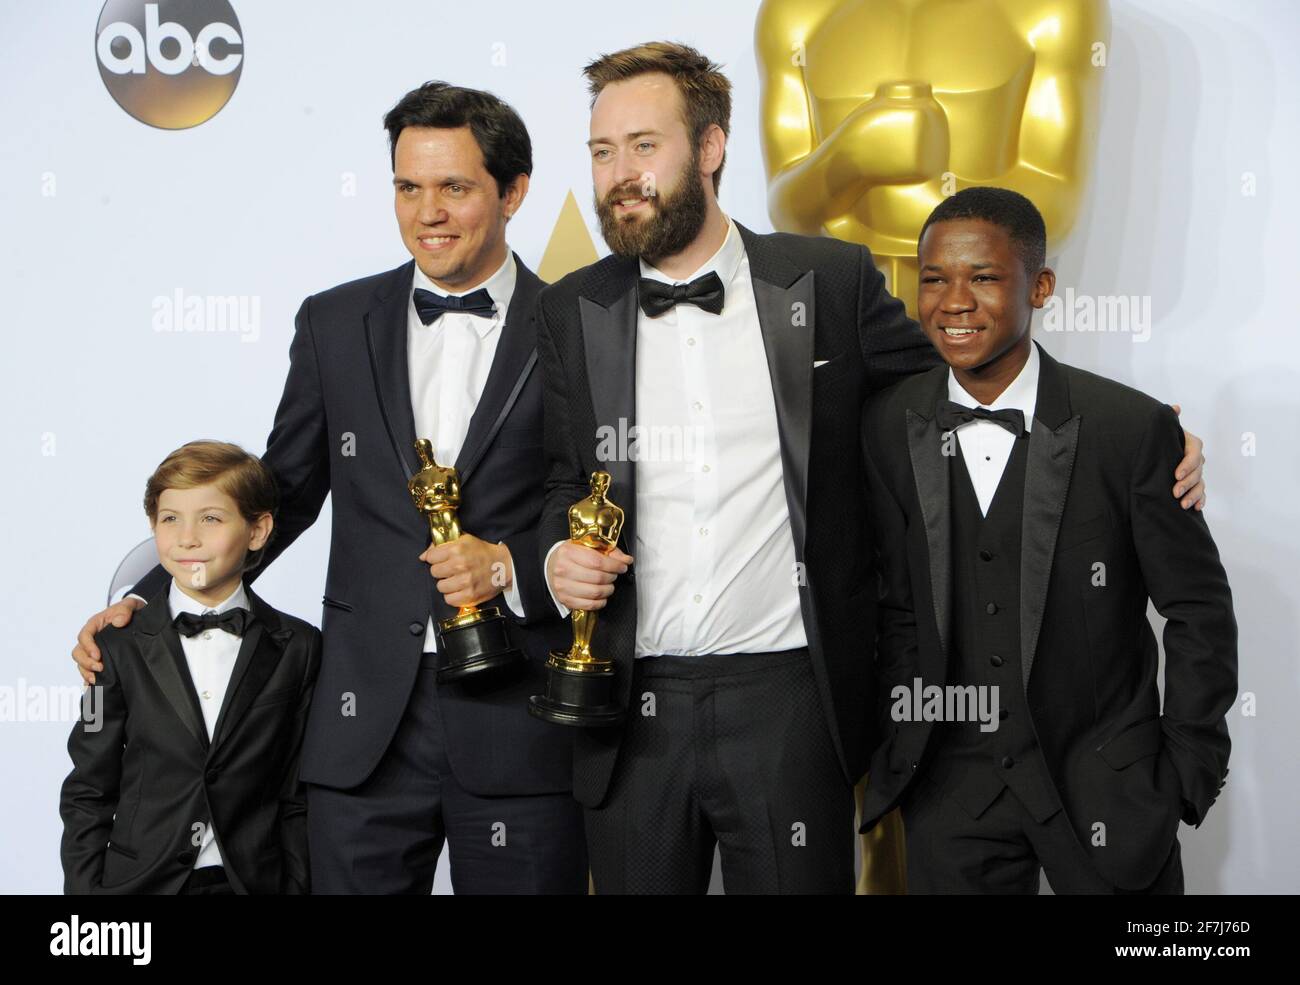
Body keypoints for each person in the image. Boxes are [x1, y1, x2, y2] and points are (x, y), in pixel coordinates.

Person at [537, 42, 1208, 894]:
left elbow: (959, 380)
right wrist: (558, 556)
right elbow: (565, 479)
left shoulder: (828, 279)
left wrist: (1141, 437)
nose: (619, 174)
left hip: (790, 696)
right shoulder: (572, 308)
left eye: (643, 146)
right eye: (602, 151)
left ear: (710, 149)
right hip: (629, 701)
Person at [69, 83, 585, 894]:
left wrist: (510, 565)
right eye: (407, 188)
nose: (428, 212)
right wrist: (148, 602)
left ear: (513, 192)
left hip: (518, 710)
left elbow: (582, 490)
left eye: (454, 187)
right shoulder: (335, 323)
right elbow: (284, 493)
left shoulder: (578, 325)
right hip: (360, 723)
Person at [858, 187, 1237, 893]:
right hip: (951, 797)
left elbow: (1199, 612)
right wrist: (903, 737)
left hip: (1110, 790)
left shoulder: (1129, 427)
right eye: (934, 278)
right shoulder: (887, 424)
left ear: (1041, 286)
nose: (954, 301)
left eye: (985, 277)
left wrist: (1183, 773)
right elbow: (897, 607)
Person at [61, 440, 320, 894]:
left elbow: (297, 793)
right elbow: (88, 789)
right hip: (139, 885)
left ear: (258, 531)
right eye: (170, 519)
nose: (187, 538)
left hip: (253, 882)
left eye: (211, 519)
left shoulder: (299, 646)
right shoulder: (115, 645)